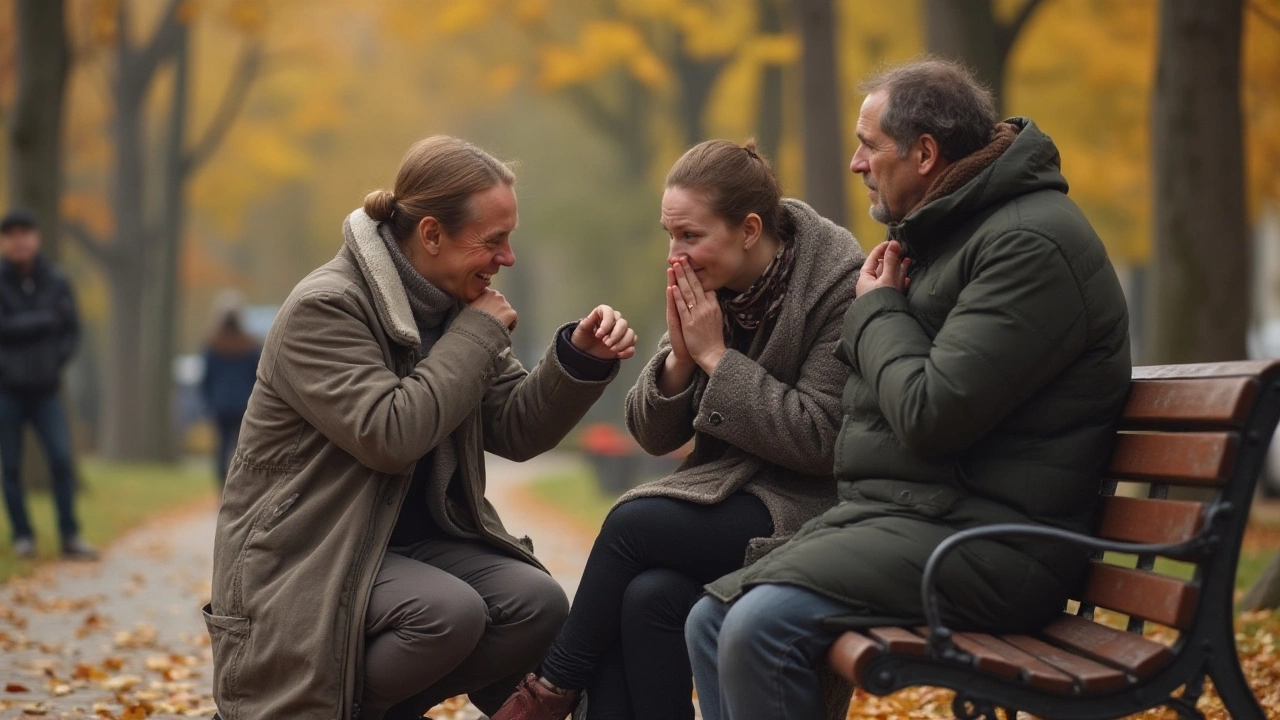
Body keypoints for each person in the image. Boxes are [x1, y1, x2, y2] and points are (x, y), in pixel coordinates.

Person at [684, 58, 1133, 720]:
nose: (855, 164)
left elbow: (930, 413)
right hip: (921, 520)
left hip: (994, 545)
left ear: (924, 153)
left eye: (868, 145)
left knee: (759, 626)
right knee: (710, 618)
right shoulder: (951, 236)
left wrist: (874, 312)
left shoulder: (1028, 245)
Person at [204, 136, 638, 720]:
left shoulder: (453, 304)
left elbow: (515, 428)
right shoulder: (327, 307)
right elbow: (391, 435)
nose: (506, 258)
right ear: (431, 234)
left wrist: (580, 362)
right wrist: (478, 335)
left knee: (536, 603)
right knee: (446, 613)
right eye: (493, 241)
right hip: (309, 553)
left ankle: (384, 706)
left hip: (407, 546)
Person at [491, 140, 864, 720]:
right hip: (736, 498)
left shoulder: (835, 286)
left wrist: (717, 359)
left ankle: (551, 689)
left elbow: (820, 439)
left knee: (632, 523)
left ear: (749, 229)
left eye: (690, 235)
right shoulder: (709, 286)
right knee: (648, 598)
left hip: (811, 509)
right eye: (670, 234)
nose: (676, 254)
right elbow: (653, 434)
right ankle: (561, 691)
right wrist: (682, 360)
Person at [0, 210, 96, 562]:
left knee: (61, 459)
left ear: (36, 238)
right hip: (6, 391)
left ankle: (69, 534)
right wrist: (41, 322)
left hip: (46, 390)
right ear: (3, 241)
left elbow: (71, 329)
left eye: (25, 232)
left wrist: (55, 358)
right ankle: (22, 535)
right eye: (11, 234)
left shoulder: (56, 280)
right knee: (10, 467)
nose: (19, 240)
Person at [199, 289, 261, 486]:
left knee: (221, 446)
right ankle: (239, 485)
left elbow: (207, 378)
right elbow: (257, 376)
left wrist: (208, 401)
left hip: (220, 404)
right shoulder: (250, 346)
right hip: (244, 404)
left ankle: (221, 484)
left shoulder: (212, 345)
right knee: (242, 447)